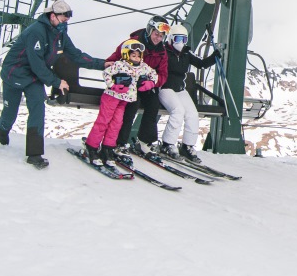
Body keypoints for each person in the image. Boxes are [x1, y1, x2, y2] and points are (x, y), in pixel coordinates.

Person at [0, 0, 108, 169]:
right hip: (15, 73)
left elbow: (76, 55)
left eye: (66, 19)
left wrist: (103, 64)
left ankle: (34, 154)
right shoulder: (36, 31)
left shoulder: (60, 34)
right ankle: (2, 129)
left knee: (37, 108)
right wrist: (56, 81)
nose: (65, 22)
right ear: (53, 16)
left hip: (33, 77)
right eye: (63, 18)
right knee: (10, 112)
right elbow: (37, 63)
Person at [84, 39, 158, 167]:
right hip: (111, 97)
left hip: (124, 101)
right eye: (133, 55)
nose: (136, 58)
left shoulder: (142, 67)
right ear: (126, 55)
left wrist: (150, 83)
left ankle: (108, 148)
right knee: (104, 121)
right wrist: (113, 85)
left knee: (116, 124)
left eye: (138, 55)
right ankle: (92, 147)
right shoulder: (120, 65)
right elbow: (106, 73)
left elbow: (154, 74)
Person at [156, 23, 217, 163]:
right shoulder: (164, 51)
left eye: (184, 39)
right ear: (171, 39)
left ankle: (187, 146)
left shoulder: (186, 53)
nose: (181, 43)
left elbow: (201, 64)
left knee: (192, 114)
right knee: (178, 111)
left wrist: (215, 56)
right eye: (178, 39)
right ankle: (167, 144)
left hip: (180, 89)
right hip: (165, 88)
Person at [110, 16, 169, 153]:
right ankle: (120, 142)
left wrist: (152, 82)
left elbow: (163, 74)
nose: (158, 39)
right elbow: (113, 60)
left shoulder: (161, 51)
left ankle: (144, 141)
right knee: (132, 105)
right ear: (150, 31)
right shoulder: (132, 43)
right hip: (129, 85)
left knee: (153, 104)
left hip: (146, 85)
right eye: (156, 34)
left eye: (161, 36)